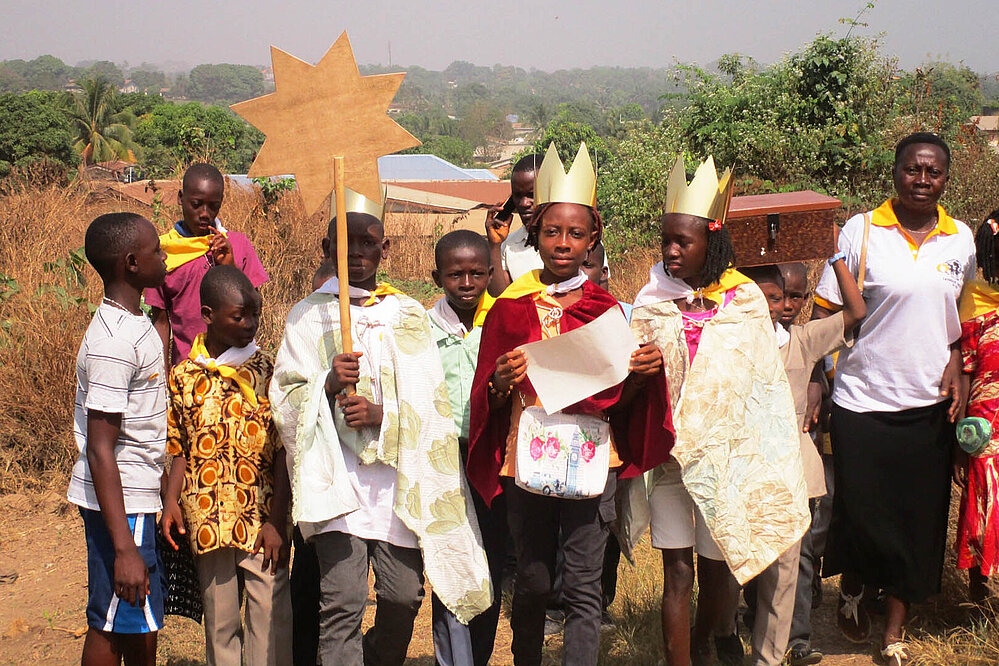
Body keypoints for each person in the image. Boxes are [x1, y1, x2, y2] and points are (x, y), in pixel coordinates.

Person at [468, 142, 671, 666]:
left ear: (592, 241)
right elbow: (486, 395)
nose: (563, 243)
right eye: (553, 231)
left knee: (583, 585)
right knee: (533, 579)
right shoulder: (509, 309)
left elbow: (616, 400)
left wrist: (642, 378)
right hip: (525, 459)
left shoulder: (608, 312)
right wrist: (501, 381)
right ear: (535, 234)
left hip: (589, 458)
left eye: (575, 233)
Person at [270, 189, 492, 666]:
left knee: (402, 597)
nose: (357, 254)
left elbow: (431, 408)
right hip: (339, 484)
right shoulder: (307, 316)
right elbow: (285, 399)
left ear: (385, 249)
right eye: (345, 245)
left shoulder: (407, 314)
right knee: (342, 603)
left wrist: (381, 416)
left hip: (397, 483)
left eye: (368, 243)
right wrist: (326, 383)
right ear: (325, 250)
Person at [626, 156, 809, 666]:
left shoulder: (745, 300)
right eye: (665, 241)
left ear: (713, 240)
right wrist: (638, 373)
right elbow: (630, 383)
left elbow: (762, 386)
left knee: (721, 568)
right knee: (677, 571)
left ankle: (707, 640)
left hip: (726, 459)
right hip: (670, 461)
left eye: (683, 242)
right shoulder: (651, 300)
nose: (670, 251)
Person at [812, 132, 975, 666]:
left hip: (930, 403)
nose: (923, 180)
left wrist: (958, 369)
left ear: (945, 178)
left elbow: (962, 325)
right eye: (913, 170)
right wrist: (813, 386)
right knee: (861, 509)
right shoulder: (861, 231)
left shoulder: (961, 241)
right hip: (862, 397)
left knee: (918, 515)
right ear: (895, 173)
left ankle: (894, 632)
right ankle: (857, 582)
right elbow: (825, 317)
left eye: (933, 172)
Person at [160, 265, 292, 665]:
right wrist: (170, 502)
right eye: (239, 316)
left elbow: (286, 451)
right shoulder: (184, 376)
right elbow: (178, 447)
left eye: (255, 314)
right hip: (206, 515)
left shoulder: (271, 372)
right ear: (208, 314)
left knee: (269, 613)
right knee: (219, 619)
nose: (250, 324)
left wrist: (278, 517)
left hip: (261, 514)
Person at [741, 257, 865, 666]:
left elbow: (856, 311)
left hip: (792, 469)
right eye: (761, 298)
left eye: (777, 298)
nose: (773, 306)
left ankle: (771, 656)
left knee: (787, 570)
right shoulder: (730, 345)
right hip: (743, 467)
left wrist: (837, 256)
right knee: (735, 568)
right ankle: (722, 636)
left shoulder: (802, 340)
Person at [68, 212, 168, 665]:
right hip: (123, 502)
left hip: (137, 498)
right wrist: (124, 546)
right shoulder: (111, 343)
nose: (164, 256)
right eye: (156, 251)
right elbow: (100, 445)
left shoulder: (134, 322)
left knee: (135, 619)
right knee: (112, 621)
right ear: (132, 262)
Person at [426, 230, 507, 666]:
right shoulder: (422, 329)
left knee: (491, 564)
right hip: (444, 460)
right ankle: (450, 657)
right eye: (455, 274)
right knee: (449, 561)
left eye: (477, 273)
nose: (467, 282)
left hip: (491, 459)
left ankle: (477, 654)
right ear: (436, 275)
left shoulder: (504, 321)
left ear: (490, 274)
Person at [147, 163, 268, 367]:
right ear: (180, 198)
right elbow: (160, 321)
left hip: (237, 366)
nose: (205, 213)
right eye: (196, 204)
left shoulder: (237, 245)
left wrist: (230, 266)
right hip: (188, 370)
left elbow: (254, 306)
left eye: (213, 206)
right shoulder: (163, 254)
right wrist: (164, 376)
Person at [955, 208, 999, 605]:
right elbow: (965, 370)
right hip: (987, 434)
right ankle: (978, 598)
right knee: (983, 509)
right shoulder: (975, 303)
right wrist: (960, 438)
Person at [486, 153, 540, 296]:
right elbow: (499, 296)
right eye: (517, 195)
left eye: (532, 195)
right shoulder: (509, 245)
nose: (523, 204)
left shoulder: (576, 242)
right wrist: (494, 245)